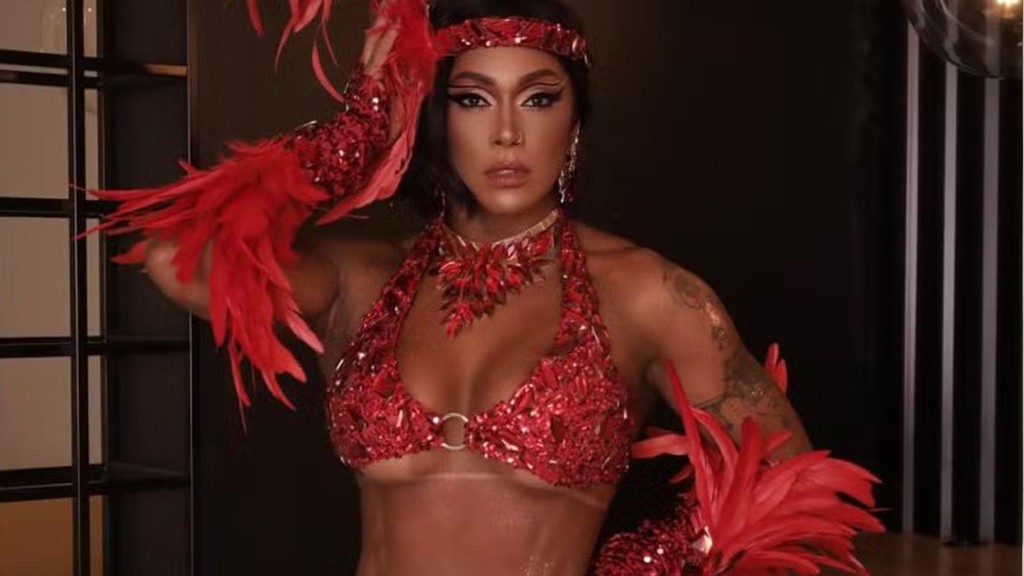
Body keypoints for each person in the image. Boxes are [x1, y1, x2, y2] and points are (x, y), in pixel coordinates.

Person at [88, 0, 882, 574]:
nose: (507, 133)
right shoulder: (361, 279)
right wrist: (357, 129)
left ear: (575, 122)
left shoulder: (649, 294)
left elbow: (801, 493)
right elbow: (173, 256)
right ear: (434, 117)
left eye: (538, 98)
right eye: (472, 99)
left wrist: (653, 560)